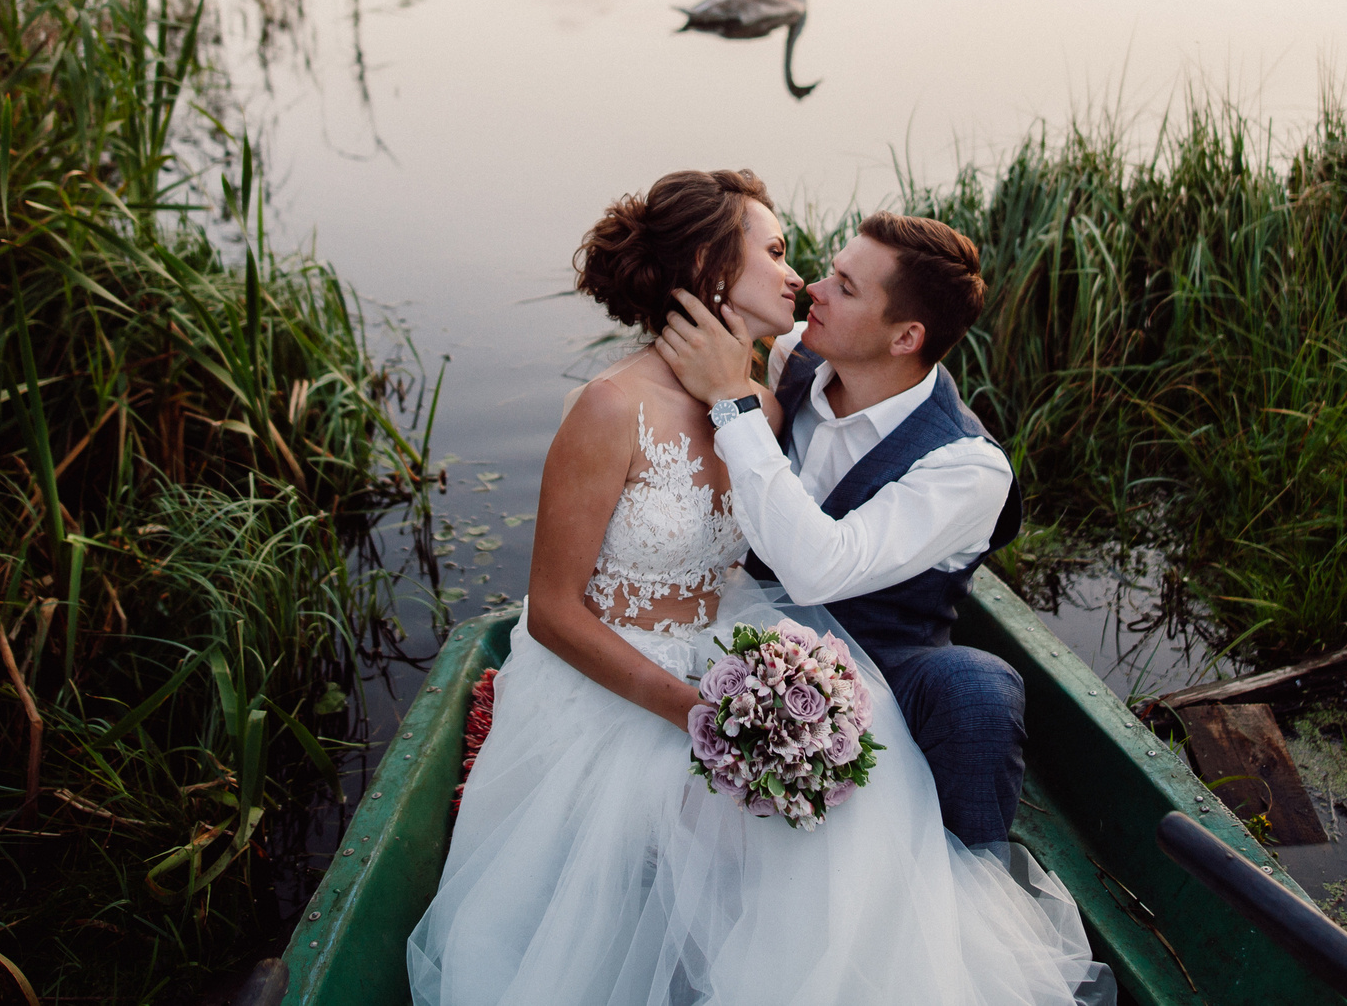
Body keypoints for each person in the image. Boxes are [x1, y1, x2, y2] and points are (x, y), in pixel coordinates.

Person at [407, 170, 1110, 1006]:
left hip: (764, 643)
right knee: (728, 819)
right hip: (631, 674)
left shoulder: (817, 425)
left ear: (904, 335)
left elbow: (805, 560)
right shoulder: (625, 403)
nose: (803, 280)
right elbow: (555, 610)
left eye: (836, 283)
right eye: (778, 254)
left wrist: (748, 694)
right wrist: (696, 710)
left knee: (881, 785)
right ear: (707, 264)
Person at [653, 210, 1028, 851]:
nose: (813, 290)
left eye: (846, 287)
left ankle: (967, 869)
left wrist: (731, 403)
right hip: (744, 626)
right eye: (831, 272)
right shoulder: (793, 354)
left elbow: (820, 569)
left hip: (882, 661)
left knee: (979, 692)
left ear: (906, 337)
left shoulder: (968, 467)